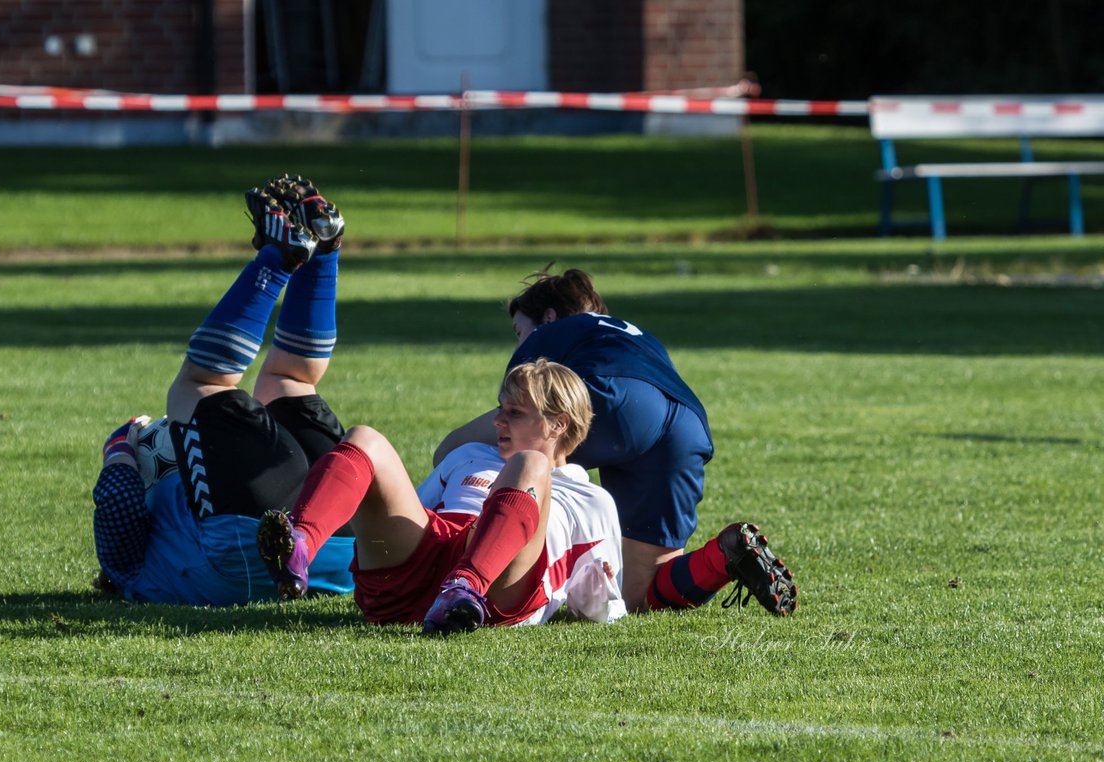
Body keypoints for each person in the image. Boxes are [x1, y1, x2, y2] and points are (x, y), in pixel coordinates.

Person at [433, 268, 798, 617]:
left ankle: (469, 569)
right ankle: (724, 555)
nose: (519, 343)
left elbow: (507, 430)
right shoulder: (623, 331)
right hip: (686, 422)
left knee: (470, 451)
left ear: (547, 316)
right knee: (639, 593)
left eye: (518, 331)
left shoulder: (550, 337)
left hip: (610, 399)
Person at [91, 175, 358, 605]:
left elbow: (126, 506)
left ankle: (324, 249)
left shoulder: (143, 570)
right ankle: (285, 259)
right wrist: (120, 447)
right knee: (199, 385)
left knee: (290, 381)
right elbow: (118, 499)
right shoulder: (129, 572)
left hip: (343, 550)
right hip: (271, 548)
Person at [256, 358, 626, 635]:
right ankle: (299, 542)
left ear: (559, 424)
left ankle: (465, 587)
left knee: (531, 464)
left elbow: (604, 609)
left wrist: (598, 586)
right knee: (365, 437)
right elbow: (412, 515)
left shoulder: (590, 498)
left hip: (498, 590)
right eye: (500, 408)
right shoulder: (468, 455)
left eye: (514, 413)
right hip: (425, 566)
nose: (498, 421)